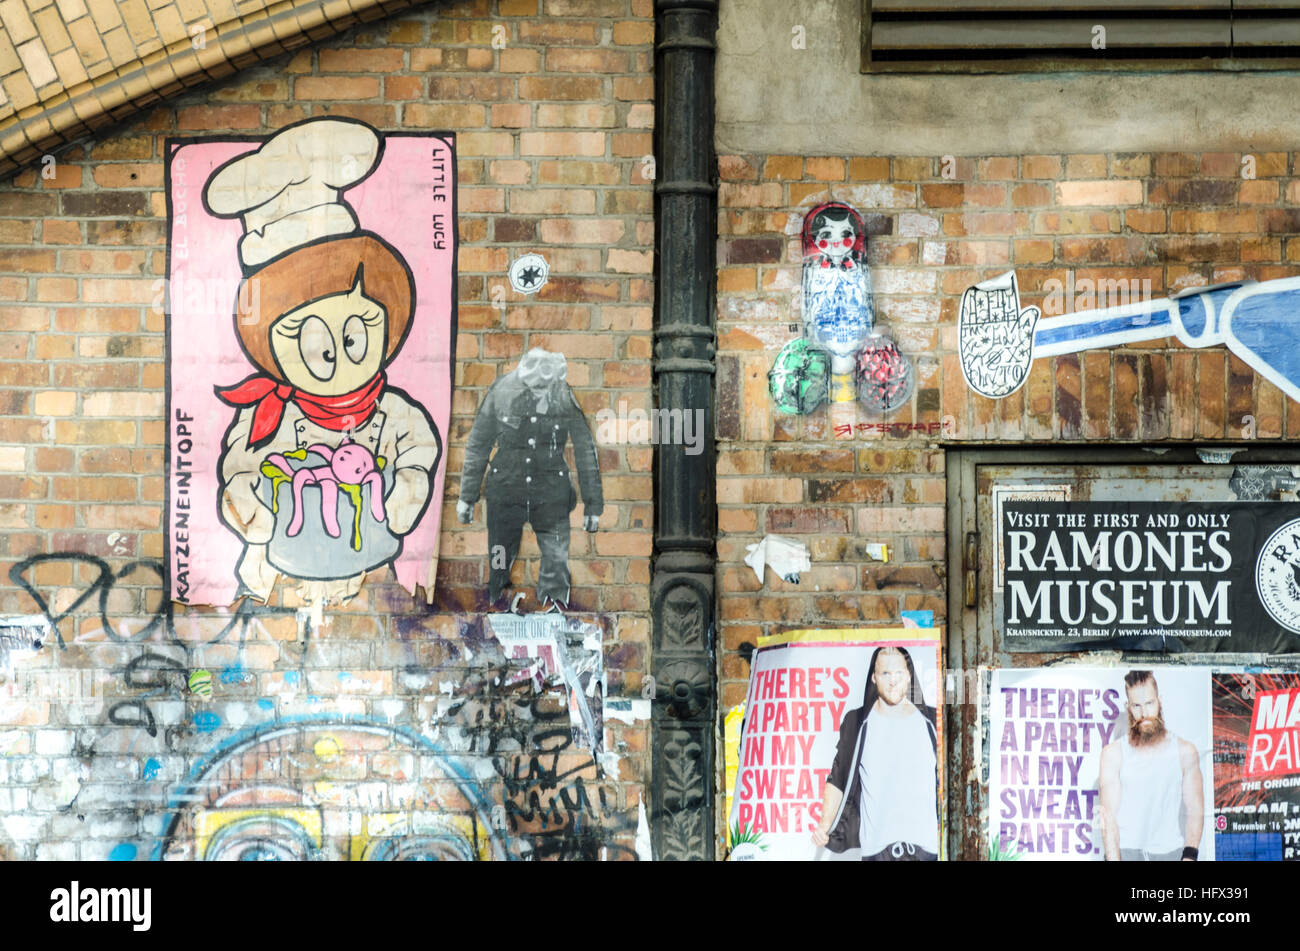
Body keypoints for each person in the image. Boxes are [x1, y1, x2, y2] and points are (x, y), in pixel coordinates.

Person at [208, 119, 441, 602]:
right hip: (278, 579)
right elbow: (240, 471)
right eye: (309, 339)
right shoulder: (266, 416)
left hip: (374, 575)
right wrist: (249, 508)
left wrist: (409, 487)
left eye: (356, 332)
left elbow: (418, 449)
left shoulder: (392, 412)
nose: (334, 354)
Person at [458, 348, 603, 610]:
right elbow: (478, 444)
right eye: (534, 386)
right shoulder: (501, 391)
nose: (540, 391)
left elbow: (584, 447)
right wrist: (467, 498)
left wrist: (593, 505)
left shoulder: (563, 394)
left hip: (552, 497)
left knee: (557, 559)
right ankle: (498, 605)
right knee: (499, 557)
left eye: (545, 387)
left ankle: (555, 608)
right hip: (505, 493)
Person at [810, 646, 939, 860]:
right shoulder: (858, 722)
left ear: (909, 676)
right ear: (874, 678)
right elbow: (838, 778)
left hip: (927, 848)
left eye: (898, 673)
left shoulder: (933, 721)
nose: (893, 680)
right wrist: (824, 826)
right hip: (877, 850)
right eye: (885, 673)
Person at [1098, 670, 1204, 861]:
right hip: (1127, 853)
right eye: (1137, 706)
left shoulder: (1184, 751)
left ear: (1159, 701)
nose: (1145, 713)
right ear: (1128, 707)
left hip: (1171, 853)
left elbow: (1195, 808)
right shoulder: (1112, 754)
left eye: (1149, 703)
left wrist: (1189, 857)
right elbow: (1108, 816)